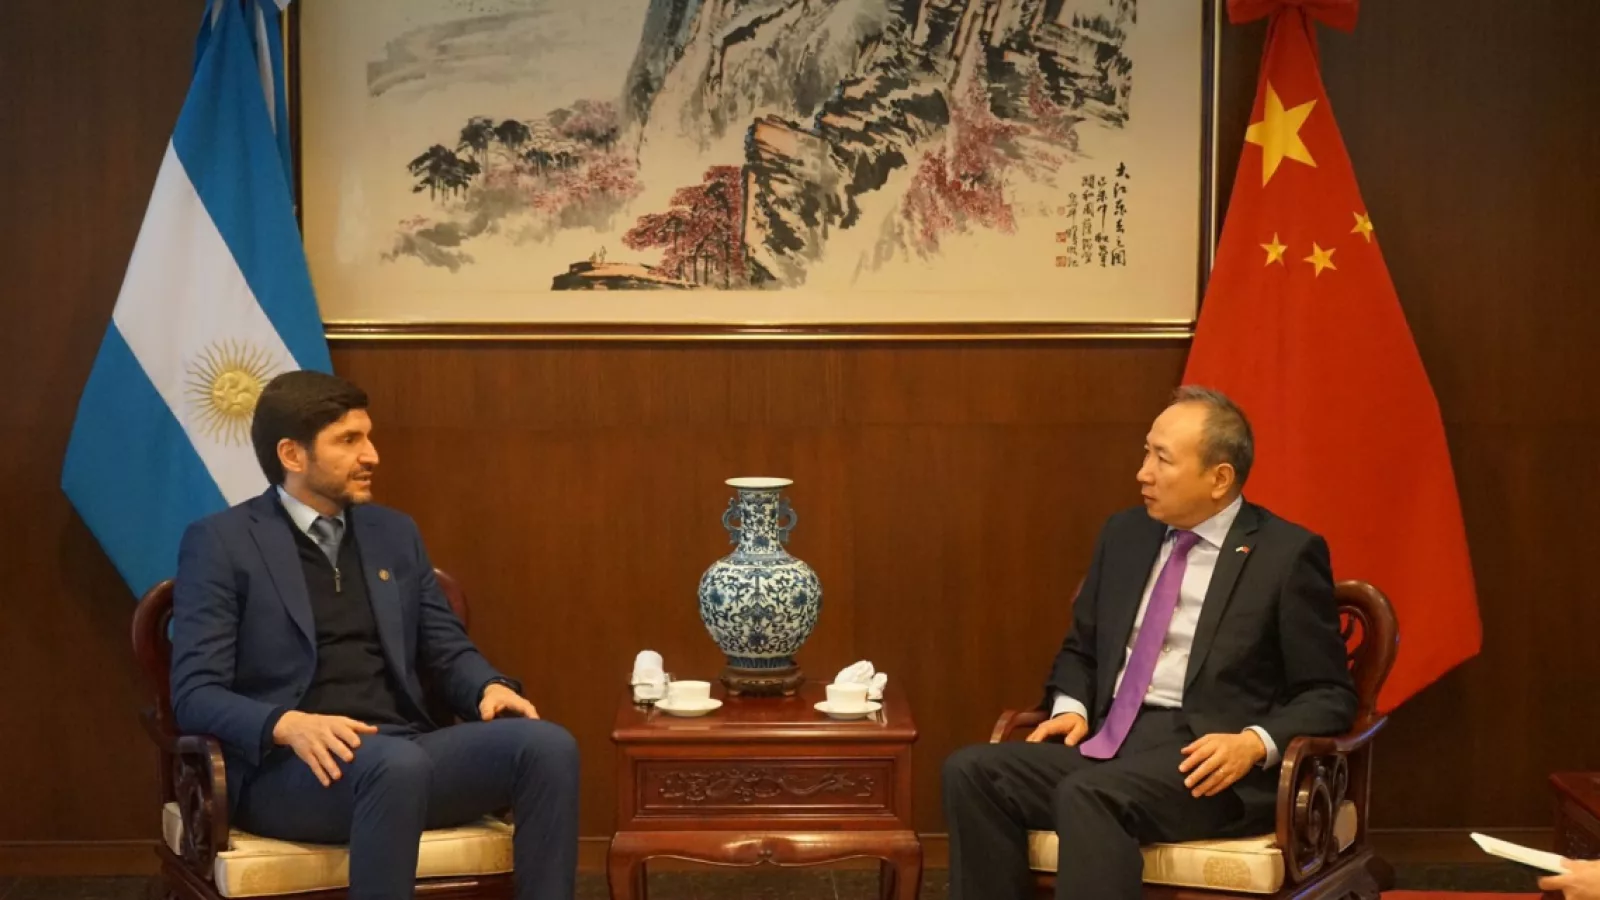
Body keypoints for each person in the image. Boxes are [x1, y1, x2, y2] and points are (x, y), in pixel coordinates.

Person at [170, 371, 578, 900]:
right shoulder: (222, 543)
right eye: (348, 440)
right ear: (292, 455)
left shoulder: (393, 533)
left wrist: (487, 686)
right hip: (292, 772)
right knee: (394, 765)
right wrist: (286, 724)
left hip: (404, 747)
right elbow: (195, 694)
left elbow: (445, 646)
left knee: (547, 746)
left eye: (368, 437)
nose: (372, 455)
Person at [943, 386, 1358, 899]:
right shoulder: (1125, 534)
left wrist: (1253, 743)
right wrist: (1072, 706)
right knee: (972, 771)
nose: (1143, 472)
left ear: (1219, 478)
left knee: (1090, 794)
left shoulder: (1285, 554)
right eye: (1146, 452)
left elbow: (1329, 694)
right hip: (1109, 739)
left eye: (1162, 459)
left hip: (1207, 763)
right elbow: (1081, 649)